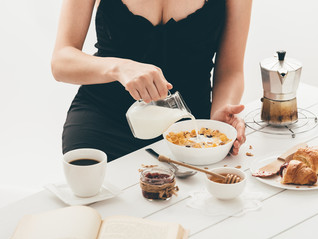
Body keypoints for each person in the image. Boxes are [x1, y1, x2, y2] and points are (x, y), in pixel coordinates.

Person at [51, 0, 252, 161]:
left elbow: (230, 70)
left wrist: (219, 118)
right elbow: (61, 62)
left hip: (190, 128)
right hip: (103, 122)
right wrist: (119, 67)